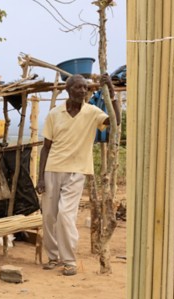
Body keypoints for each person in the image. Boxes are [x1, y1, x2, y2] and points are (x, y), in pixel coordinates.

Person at [36, 73, 121, 276]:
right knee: (49, 216)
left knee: (66, 215)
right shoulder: (54, 114)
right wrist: (40, 177)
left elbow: (115, 123)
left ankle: (69, 261)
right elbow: (46, 148)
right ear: (68, 90)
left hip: (77, 171)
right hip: (52, 169)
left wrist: (111, 91)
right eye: (78, 88)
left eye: (85, 88)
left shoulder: (93, 112)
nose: (83, 91)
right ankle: (53, 256)